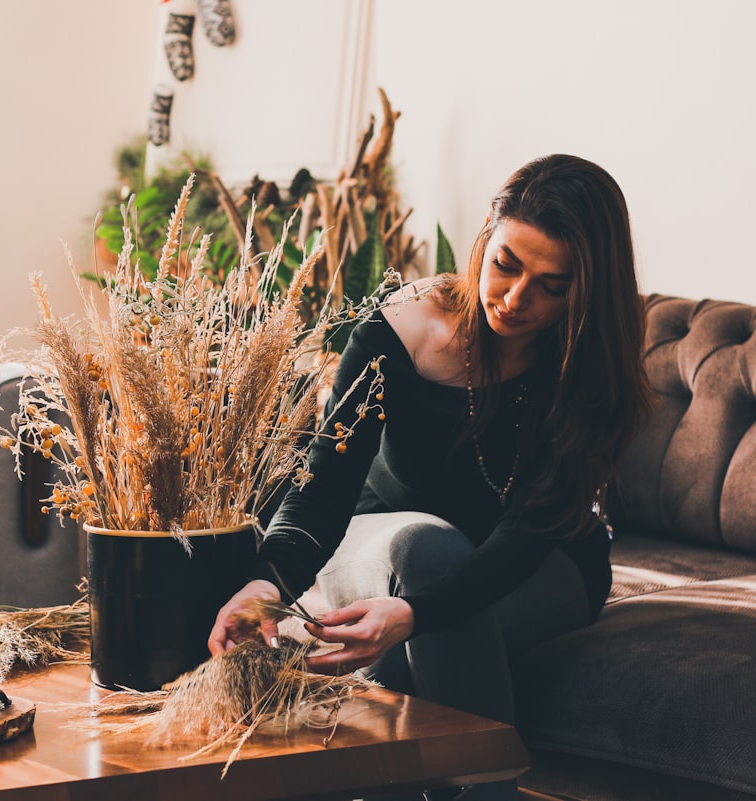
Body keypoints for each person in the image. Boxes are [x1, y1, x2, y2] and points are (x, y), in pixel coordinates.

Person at [208, 154, 652, 801]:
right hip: (380, 538)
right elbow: (322, 484)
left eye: (552, 285)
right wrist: (264, 583)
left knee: (400, 656)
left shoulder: (588, 366)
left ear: (586, 288)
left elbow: (531, 527)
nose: (516, 297)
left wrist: (414, 614)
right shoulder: (407, 328)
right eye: (506, 263)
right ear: (485, 239)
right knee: (425, 544)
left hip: (541, 561)